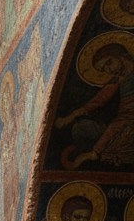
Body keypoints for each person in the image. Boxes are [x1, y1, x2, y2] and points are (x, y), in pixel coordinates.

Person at [56, 40, 134, 168]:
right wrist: (71, 116)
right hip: (123, 121)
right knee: (82, 127)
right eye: (104, 69)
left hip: (127, 122)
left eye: (109, 63)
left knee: (121, 129)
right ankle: (95, 152)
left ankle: (95, 153)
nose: (109, 70)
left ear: (121, 55)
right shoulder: (118, 80)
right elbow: (99, 99)